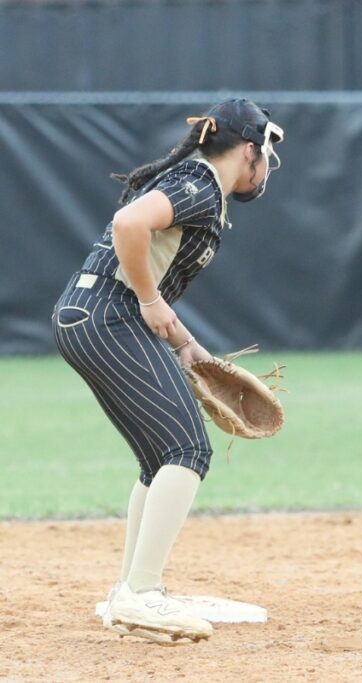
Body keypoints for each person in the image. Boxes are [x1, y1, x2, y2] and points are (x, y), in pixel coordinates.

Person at [51, 98, 283, 644]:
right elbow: (128, 223)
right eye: (267, 152)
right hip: (109, 317)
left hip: (89, 314)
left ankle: (128, 593)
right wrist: (152, 302)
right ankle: (146, 593)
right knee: (189, 450)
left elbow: (145, 264)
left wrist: (189, 348)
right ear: (249, 149)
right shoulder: (201, 183)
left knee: (161, 458)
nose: (267, 165)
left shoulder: (195, 183)